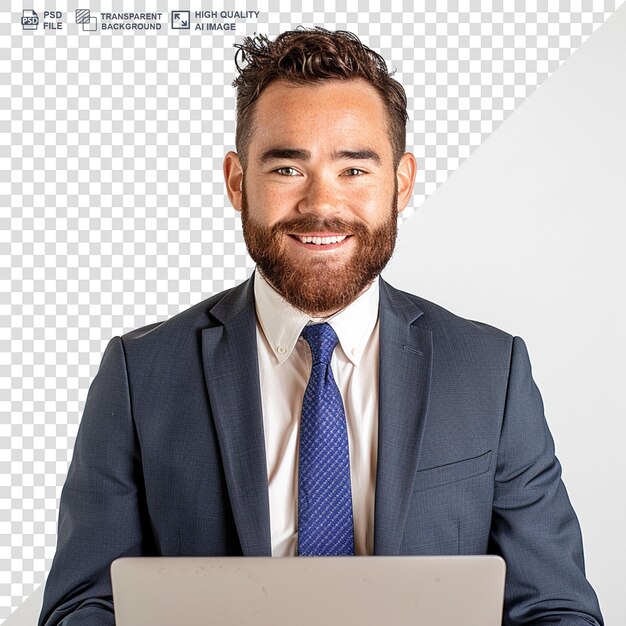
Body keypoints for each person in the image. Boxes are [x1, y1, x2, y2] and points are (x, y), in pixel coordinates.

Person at [39, 27, 603, 626]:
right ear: (237, 182)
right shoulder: (139, 374)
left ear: (401, 183)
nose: (320, 204)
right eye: (287, 168)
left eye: (354, 170)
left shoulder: (492, 373)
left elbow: (555, 607)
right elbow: (84, 604)